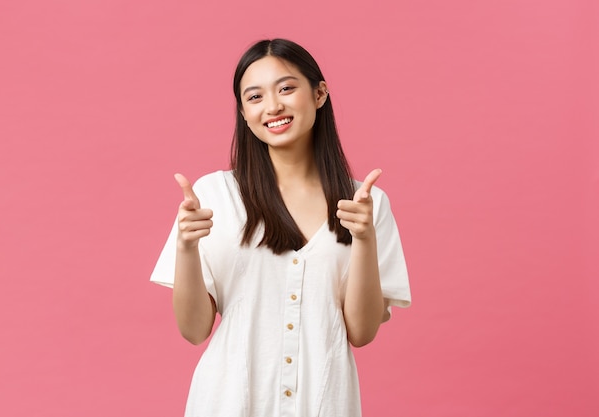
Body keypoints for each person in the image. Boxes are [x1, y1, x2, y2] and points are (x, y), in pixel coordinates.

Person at [150, 38, 411, 417]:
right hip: (226, 403)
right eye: (254, 97)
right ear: (243, 111)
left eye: (287, 88)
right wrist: (186, 249)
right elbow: (194, 331)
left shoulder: (366, 205)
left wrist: (365, 239)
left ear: (319, 93)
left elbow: (361, 332)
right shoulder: (214, 195)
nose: (273, 107)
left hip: (324, 404)